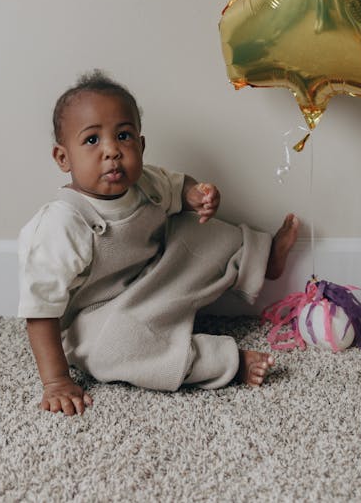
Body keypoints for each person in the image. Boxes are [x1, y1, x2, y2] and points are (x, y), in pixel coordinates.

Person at [18, 70, 299, 415]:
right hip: (95, 318)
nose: (112, 151)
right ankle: (223, 362)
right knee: (116, 349)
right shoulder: (61, 224)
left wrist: (198, 195)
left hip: (155, 278)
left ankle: (260, 259)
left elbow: (180, 188)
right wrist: (56, 381)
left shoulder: (148, 183)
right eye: (92, 140)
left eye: (123, 136)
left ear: (141, 144)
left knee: (196, 229)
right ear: (63, 158)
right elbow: (40, 311)